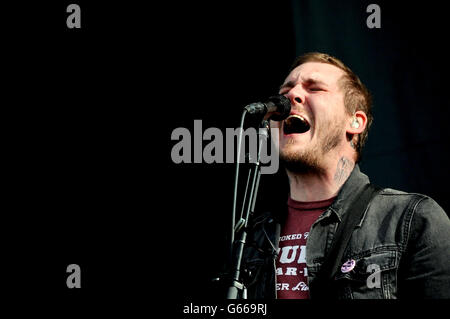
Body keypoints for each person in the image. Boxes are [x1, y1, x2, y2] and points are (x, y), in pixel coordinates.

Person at [239, 52, 450, 299]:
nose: (291, 95)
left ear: (355, 122)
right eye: (285, 89)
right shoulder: (250, 237)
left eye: (314, 88)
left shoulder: (413, 220)